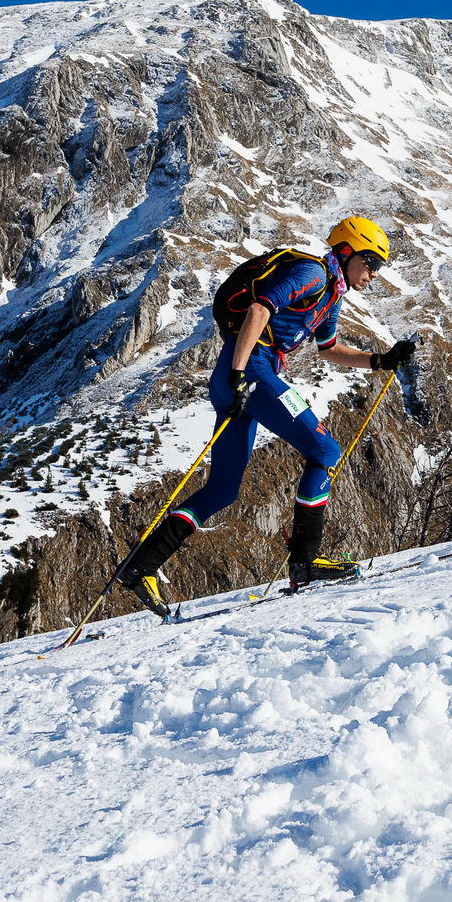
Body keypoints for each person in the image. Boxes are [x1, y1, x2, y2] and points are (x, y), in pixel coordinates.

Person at [115, 217, 416, 618]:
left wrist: (379, 360)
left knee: (223, 489)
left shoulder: (332, 295)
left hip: (238, 375)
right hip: (252, 370)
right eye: (371, 262)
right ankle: (305, 563)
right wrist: (242, 374)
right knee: (325, 449)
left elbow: (328, 348)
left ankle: (141, 566)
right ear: (348, 251)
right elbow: (260, 308)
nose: (374, 274)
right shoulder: (313, 273)